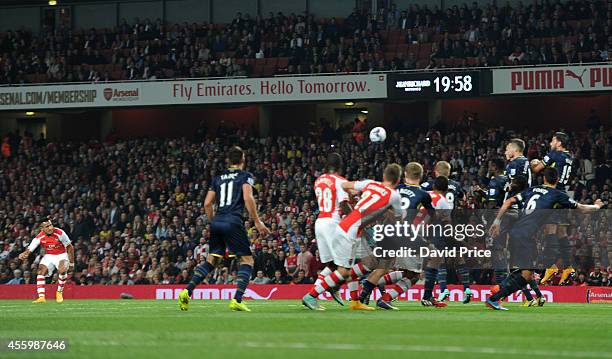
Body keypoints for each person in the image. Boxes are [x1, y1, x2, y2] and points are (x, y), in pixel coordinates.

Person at [487, 168, 603, 310]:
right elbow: (582, 208)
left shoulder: (532, 190)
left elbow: (509, 201)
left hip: (515, 233)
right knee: (527, 274)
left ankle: (499, 289)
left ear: (544, 179)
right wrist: (597, 206)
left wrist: (497, 222)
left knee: (526, 272)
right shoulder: (556, 194)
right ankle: (495, 297)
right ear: (558, 179)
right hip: (525, 236)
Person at [178, 146, 270, 312]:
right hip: (233, 220)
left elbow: (207, 203)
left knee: (211, 260)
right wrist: (257, 221)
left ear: (229, 160)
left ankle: (187, 291)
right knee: (247, 260)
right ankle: (237, 299)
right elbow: (248, 197)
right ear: (243, 159)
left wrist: (214, 221)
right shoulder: (245, 176)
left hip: (218, 221)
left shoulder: (218, 178)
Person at [302, 164, 403, 311]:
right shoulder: (394, 196)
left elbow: (344, 185)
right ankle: (311, 295)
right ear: (398, 180)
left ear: (384, 176)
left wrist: (356, 194)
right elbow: (399, 219)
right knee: (343, 271)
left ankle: (355, 301)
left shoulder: (370, 183)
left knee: (368, 262)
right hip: (349, 231)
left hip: (351, 228)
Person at [375, 162, 435, 310]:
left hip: (389, 232)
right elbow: (433, 215)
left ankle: (372, 282)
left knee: (404, 272)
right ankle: (385, 298)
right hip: (408, 235)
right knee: (414, 276)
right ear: (421, 176)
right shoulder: (423, 194)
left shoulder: (396, 189)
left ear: (405, 175)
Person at [304, 152, 350, 308]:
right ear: (339, 166)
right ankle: (326, 289)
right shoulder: (340, 181)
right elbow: (344, 205)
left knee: (331, 264)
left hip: (320, 221)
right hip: (333, 223)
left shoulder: (318, 180)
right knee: (345, 265)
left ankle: (319, 293)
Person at [531, 132, 576, 285]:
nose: (551, 143)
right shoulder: (569, 156)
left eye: (552, 140)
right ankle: (569, 268)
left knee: (549, 231)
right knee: (562, 233)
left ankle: (550, 267)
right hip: (564, 194)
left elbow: (537, 169)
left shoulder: (555, 153)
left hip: (553, 194)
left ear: (559, 143)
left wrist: (534, 163)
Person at [18, 219, 74, 303]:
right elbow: (31, 246)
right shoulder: (40, 236)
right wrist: (25, 253)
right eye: (47, 226)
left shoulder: (60, 233)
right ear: (42, 228)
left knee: (62, 270)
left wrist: (72, 263)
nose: (50, 227)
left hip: (62, 254)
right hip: (49, 255)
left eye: (51, 225)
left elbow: (70, 247)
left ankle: (59, 292)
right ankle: (41, 297)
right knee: (40, 271)